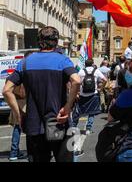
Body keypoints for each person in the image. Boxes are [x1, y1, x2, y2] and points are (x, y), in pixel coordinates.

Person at [3, 27, 81, 163]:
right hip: (59, 122)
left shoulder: (25, 62)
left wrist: (19, 113)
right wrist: (67, 107)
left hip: (34, 125)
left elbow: (6, 90)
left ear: (39, 41)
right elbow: (76, 80)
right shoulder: (63, 60)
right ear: (56, 42)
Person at [71, 59, 107, 137]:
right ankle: (88, 129)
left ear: (85, 64)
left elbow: (76, 82)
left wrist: (77, 92)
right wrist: (101, 89)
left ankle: (74, 127)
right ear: (92, 64)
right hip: (93, 94)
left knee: (77, 111)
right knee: (92, 112)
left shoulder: (81, 71)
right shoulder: (96, 71)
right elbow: (105, 79)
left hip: (82, 94)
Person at [8, 84, 26, 161]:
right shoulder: (24, 74)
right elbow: (23, 93)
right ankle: (14, 153)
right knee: (20, 127)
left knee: (17, 128)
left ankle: (14, 152)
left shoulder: (12, 77)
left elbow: (8, 91)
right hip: (24, 103)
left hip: (15, 102)